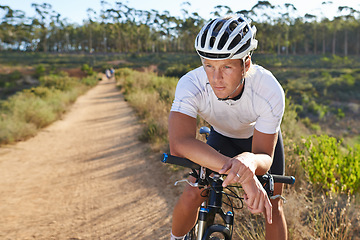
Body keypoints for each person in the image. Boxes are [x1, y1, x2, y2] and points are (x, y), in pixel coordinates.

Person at [168, 15, 287, 240]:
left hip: (256, 142)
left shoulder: (268, 89)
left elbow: (263, 156)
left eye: (227, 67)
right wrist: (245, 177)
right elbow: (179, 144)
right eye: (209, 66)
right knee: (193, 191)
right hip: (221, 137)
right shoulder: (191, 84)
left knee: (273, 205)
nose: (216, 78)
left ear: (247, 64)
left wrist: (249, 162)